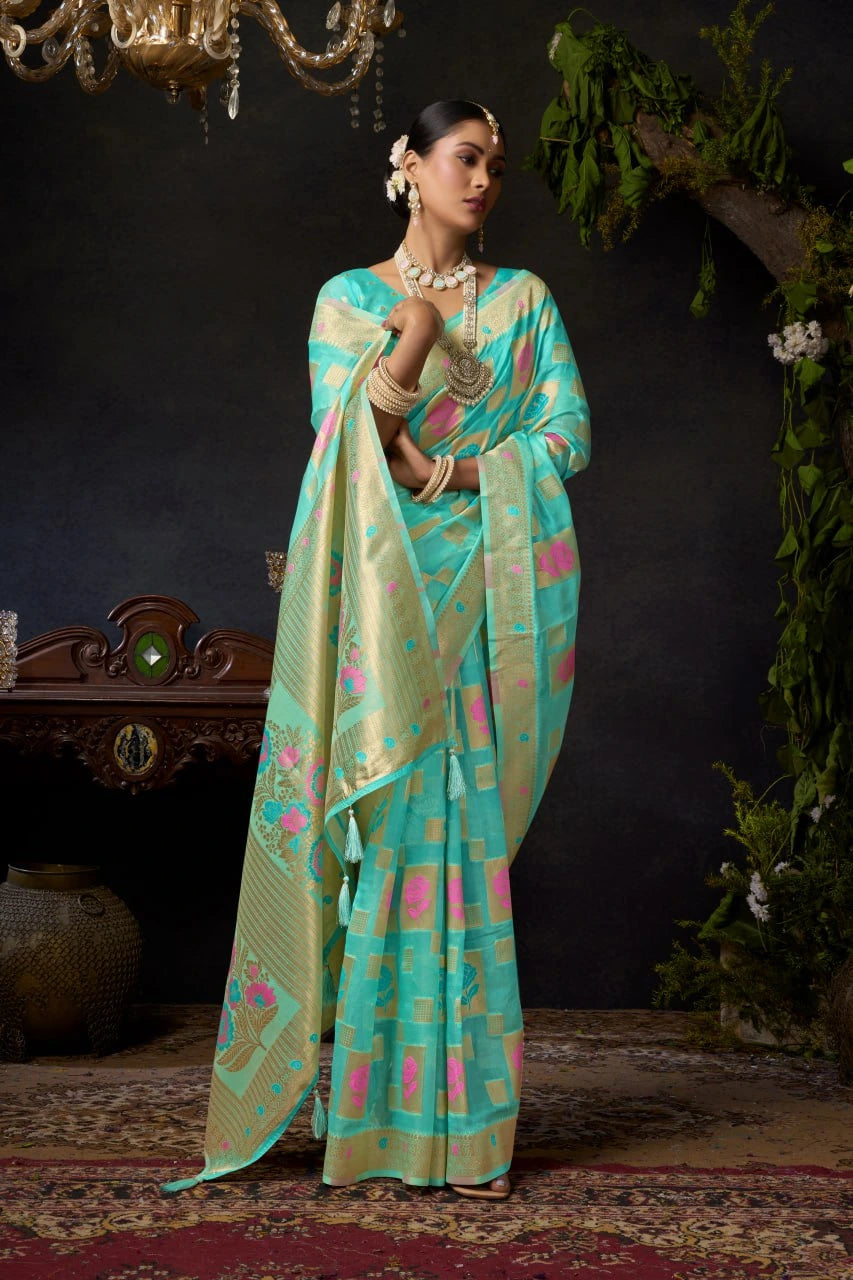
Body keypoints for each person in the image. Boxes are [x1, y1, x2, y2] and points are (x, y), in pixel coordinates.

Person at [161, 99, 590, 1202]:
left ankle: (471, 1139)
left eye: (496, 161)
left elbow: (564, 437)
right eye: (464, 157)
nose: (485, 179)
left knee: (465, 853)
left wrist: (450, 471)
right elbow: (350, 445)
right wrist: (416, 333)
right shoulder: (348, 302)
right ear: (407, 165)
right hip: (384, 603)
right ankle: (374, 1133)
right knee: (387, 849)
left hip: (483, 597)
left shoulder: (527, 302)